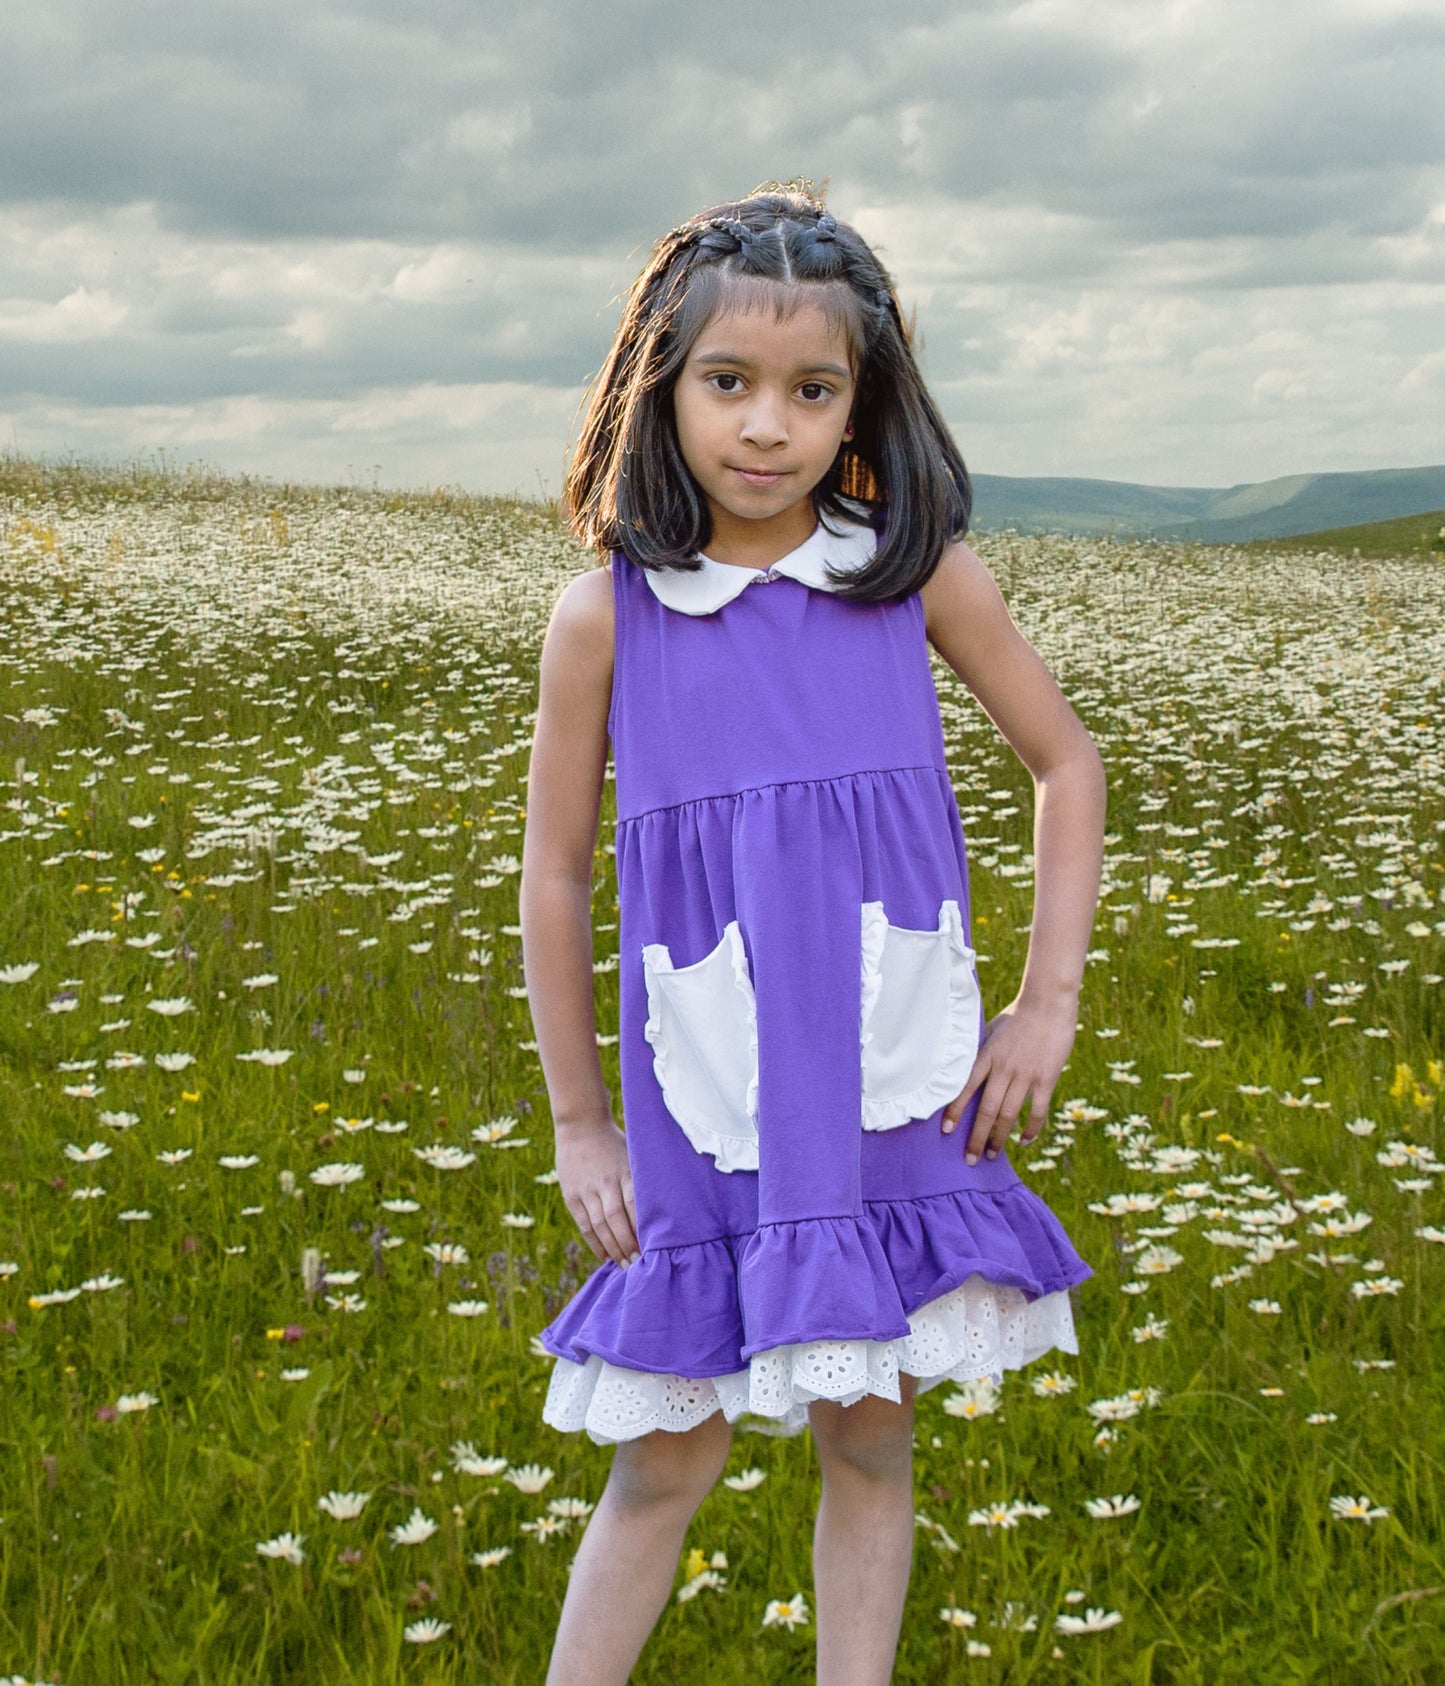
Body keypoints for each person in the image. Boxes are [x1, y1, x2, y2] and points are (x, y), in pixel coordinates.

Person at [520, 179, 1105, 1686]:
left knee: (869, 1431)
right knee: (662, 1452)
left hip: (887, 1077)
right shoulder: (609, 619)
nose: (765, 425)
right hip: (701, 1100)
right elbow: (558, 877)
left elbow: (1066, 763)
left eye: (809, 389)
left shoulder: (908, 582)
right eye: (728, 383)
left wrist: (1044, 1006)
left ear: (862, 407)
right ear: (663, 388)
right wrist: (580, 1123)